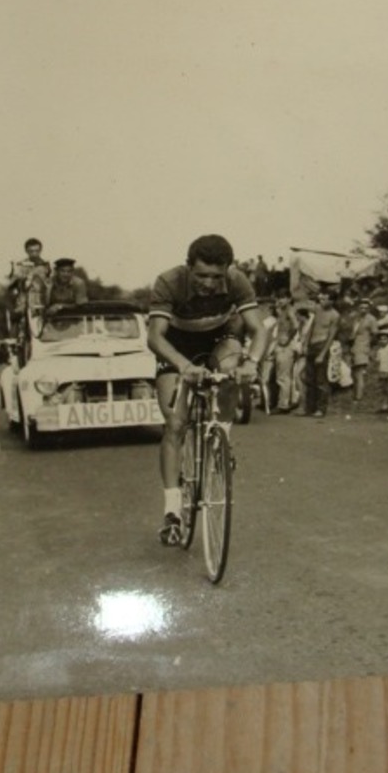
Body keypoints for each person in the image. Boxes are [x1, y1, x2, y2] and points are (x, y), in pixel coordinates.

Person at [147, 234, 268, 546]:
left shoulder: (238, 281)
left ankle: (222, 438)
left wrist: (252, 362)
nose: (209, 284)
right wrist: (184, 366)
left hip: (219, 338)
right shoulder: (168, 281)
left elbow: (258, 329)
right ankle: (172, 513)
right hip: (176, 345)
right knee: (175, 424)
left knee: (229, 369)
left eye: (217, 277)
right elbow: (155, 338)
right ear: (188, 268)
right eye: (201, 275)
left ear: (227, 270)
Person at [299, 290, 340, 417]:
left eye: (325, 299)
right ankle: (309, 408)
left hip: (322, 345)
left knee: (321, 380)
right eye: (321, 299)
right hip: (312, 344)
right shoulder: (317, 310)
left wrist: (323, 353)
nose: (322, 301)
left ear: (332, 301)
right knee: (309, 378)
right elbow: (311, 327)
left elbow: (331, 335)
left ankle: (321, 409)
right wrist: (305, 344)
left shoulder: (334, 315)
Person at [6, 238, 52, 337]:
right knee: (17, 322)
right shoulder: (20, 265)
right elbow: (11, 285)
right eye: (31, 251)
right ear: (26, 251)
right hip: (24, 301)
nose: (34, 254)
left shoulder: (46, 266)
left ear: (41, 250)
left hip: (41, 301)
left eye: (37, 251)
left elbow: (50, 283)